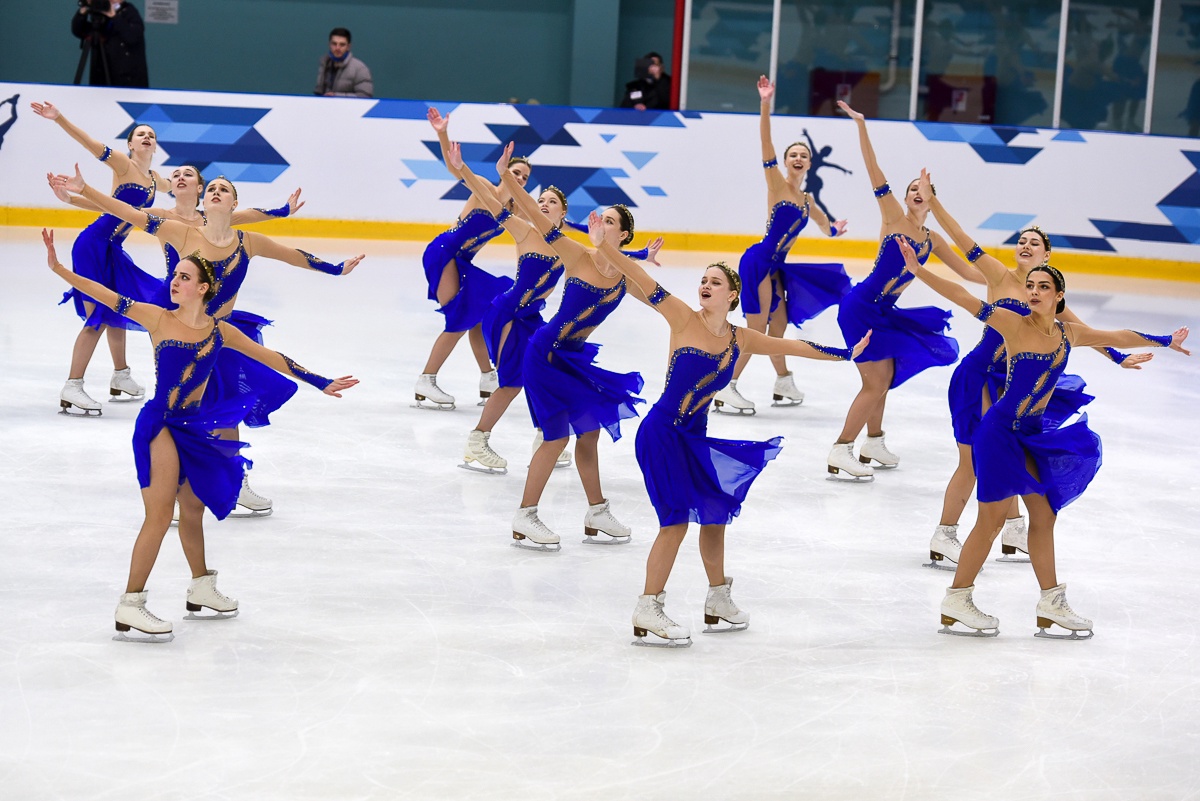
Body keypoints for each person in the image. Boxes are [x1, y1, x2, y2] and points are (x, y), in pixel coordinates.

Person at [40, 229, 357, 643]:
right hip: (159, 425)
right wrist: (60, 268)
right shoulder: (157, 317)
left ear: (204, 288)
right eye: (176, 276)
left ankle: (201, 587)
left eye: (185, 278)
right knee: (158, 516)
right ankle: (130, 604)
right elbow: (106, 294)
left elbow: (271, 357)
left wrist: (321, 380)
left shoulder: (220, 331)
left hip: (193, 426)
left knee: (192, 509)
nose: (175, 282)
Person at [588, 219, 869, 647]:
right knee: (676, 523)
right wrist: (605, 247)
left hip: (694, 439)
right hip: (662, 434)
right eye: (703, 280)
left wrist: (846, 354)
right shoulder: (681, 316)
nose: (705, 285)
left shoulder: (743, 339)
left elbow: (796, 347)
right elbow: (638, 276)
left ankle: (718, 599)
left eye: (715, 282)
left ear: (732, 295)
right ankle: (648, 606)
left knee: (715, 513)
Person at [897, 238, 1189, 639]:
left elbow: (1117, 335)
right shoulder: (1012, 323)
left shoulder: (1069, 334)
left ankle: (1050, 602)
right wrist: (918, 271)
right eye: (1030, 286)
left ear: (1059, 297)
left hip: (1029, 434)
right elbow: (964, 297)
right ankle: (957, 598)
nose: (1032, 292)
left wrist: (1163, 341)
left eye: (1042, 288)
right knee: (993, 520)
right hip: (999, 432)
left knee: (1044, 513)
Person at [919, 171, 1146, 570]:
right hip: (978, 377)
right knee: (974, 461)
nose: (1025, 246)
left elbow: (1087, 334)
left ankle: (1013, 530)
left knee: (1010, 454)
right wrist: (933, 202)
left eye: (1033, 243)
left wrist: (1120, 357)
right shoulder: (999, 276)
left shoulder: (1048, 300)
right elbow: (961, 238)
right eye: (1021, 242)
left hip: (1010, 386)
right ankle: (946, 534)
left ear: (1046, 256)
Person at [826, 101, 980, 480]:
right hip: (861, 307)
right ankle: (841, 448)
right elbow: (872, 169)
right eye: (912, 187)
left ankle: (872, 441)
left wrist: (1009, 280)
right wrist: (861, 125)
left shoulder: (933, 240)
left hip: (884, 313)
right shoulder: (893, 216)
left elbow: (966, 270)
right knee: (875, 382)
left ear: (932, 199)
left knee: (886, 376)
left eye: (922, 189)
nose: (915, 192)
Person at [496, 163, 647, 551]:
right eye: (600, 218)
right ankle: (525, 515)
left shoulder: (626, 277)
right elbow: (534, 216)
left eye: (610, 221)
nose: (601, 221)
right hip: (545, 355)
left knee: (590, 430)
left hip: (573, 359)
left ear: (623, 234)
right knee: (555, 436)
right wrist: (508, 178)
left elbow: (664, 304)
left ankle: (596, 511)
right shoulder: (578, 255)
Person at [714, 77, 851, 415]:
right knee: (757, 329)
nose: (799, 157)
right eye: (793, 154)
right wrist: (765, 103)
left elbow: (824, 225)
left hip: (775, 267)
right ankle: (727, 386)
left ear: (809, 163)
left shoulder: (807, 200)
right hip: (758, 261)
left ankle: (783, 380)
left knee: (779, 327)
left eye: (804, 154)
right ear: (786, 162)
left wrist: (834, 230)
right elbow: (765, 143)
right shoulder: (776, 184)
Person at [32, 101, 171, 415]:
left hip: (112, 249)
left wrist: (73, 200)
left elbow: (111, 207)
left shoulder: (154, 180)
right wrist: (60, 118)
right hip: (93, 246)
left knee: (119, 307)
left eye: (151, 134)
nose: (147, 137)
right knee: (98, 319)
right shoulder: (123, 164)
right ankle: (73, 384)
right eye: (141, 134)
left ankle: (121, 376)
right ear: (131, 144)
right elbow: (89, 143)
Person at [446, 142, 568, 473]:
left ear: (563, 214)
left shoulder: (567, 246)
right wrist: (464, 170)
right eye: (539, 200)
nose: (543, 204)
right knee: (513, 381)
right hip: (507, 314)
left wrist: (640, 254)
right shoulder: (524, 230)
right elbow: (489, 200)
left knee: (547, 370)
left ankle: (545, 435)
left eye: (551, 202)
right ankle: (478, 440)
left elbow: (603, 257)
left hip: (531, 318)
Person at [414, 108, 521, 411]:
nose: (520, 179)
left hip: (462, 264)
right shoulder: (485, 189)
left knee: (484, 308)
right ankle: (427, 378)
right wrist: (442, 132)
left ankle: (488, 376)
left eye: (524, 178)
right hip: (444, 253)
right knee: (460, 320)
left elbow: (555, 229)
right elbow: (456, 167)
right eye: (515, 173)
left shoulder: (515, 210)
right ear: (504, 171)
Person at [71, 0, 149, 88]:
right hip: (102, 75)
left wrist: (114, 16)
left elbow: (132, 36)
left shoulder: (129, 12)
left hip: (127, 80)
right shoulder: (100, 15)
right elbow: (78, 30)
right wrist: (82, 12)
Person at [314, 27, 373, 98]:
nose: (337, 48)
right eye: (334, 44)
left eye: (342, 45)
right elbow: (319, 92)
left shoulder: (360, 69)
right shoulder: (325, 64)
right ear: (329, 44)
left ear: (348, 47)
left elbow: (365, 96)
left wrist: (336, 96)